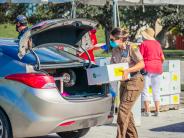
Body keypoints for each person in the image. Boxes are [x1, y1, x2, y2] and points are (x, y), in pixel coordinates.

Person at [110, 27, 145, 138]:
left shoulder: (132, 47)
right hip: (124, 82)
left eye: (112, 39)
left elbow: (141, 64)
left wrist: (128, 70)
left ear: (120, 39)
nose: (110, 42)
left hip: (135, 81)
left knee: (122, 112)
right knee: (127, 113)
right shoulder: (115, 50)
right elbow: (112, 67)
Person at [139, 27, 165, 117]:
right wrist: (157, 64)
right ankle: (158, 111)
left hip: (147, 68)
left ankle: (147, 111)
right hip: (158, 68)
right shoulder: (158, 44)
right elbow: (163, 58)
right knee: (156, 90)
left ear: (145, 36)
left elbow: (139, 58)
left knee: (145, 90)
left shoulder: (143, 44)